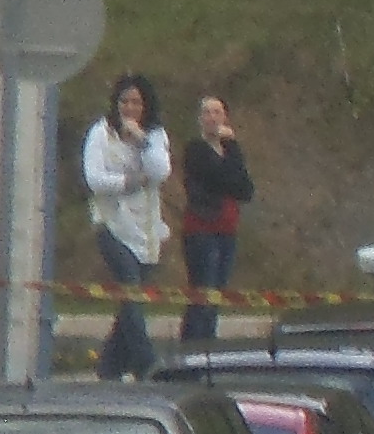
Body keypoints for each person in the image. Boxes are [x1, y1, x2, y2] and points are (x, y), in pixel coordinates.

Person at [79, 73, 173, 379]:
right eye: (124, 101)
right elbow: (94, 179)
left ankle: (109, 368)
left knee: (130, 302)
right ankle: (146, 364)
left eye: (136, 102)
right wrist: (128, 182)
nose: (129, 108)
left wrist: (142, 141)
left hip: (145, 230)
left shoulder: (155, 136)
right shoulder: (101, 134)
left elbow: (161, 171)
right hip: (112, 226)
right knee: (130, 290)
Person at [179, 94, 253, 347]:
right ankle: (193, 349)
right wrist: (230, 166)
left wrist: (232, 148)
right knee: (204, 293)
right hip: (202, 229)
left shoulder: (231, 150)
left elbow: (245, 189)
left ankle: (207, 348)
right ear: (200, 119)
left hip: (227, 230)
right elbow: (217, 177)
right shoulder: (195, 150)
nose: (213, 118)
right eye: (207, 113)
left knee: (218, 294)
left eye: (217, 112)